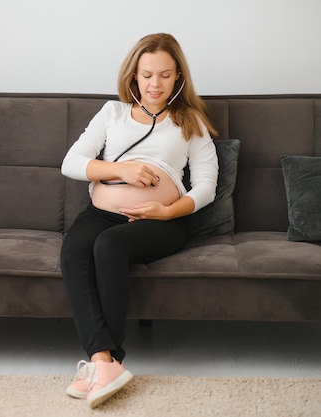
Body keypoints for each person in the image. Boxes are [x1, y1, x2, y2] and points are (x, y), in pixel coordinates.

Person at [60, 33, 219, 409]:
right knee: (74, 252)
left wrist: (167, 210)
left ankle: (109, 363)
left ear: (178, 76)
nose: (154, 84)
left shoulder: (190, 121)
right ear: (134, 76)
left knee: (110, 245)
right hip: (101, 213)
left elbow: (207, 186)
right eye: (146, 75)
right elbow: (71, 162)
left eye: (164, 75)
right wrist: (124, 171)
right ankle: (104, 360)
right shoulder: (111, 113)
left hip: (162, 223)